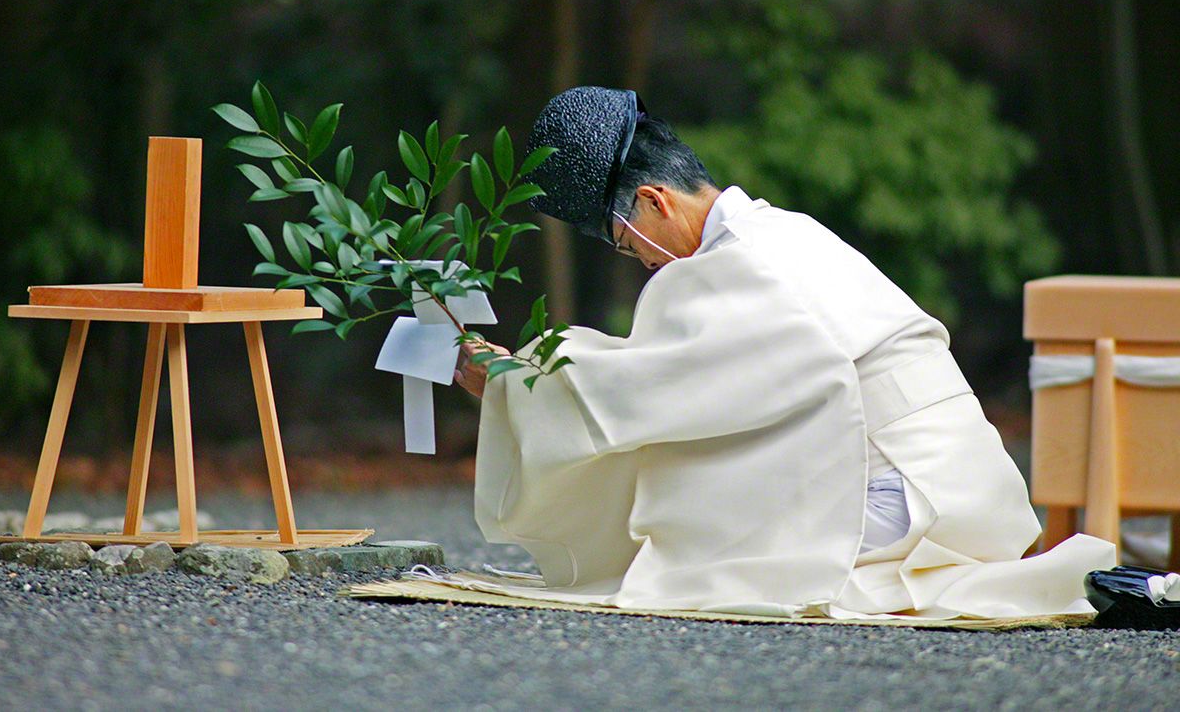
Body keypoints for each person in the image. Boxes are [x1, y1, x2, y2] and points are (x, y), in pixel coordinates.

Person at [450, 85, 1113, 619]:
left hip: (907, 499)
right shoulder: (778, 232)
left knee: (689, 507)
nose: (644, 263)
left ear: (654, 202)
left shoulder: (743, 262)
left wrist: (519, 382)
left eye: (630, 244)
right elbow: (675, 379)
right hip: (960, 484)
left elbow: (661, 391)